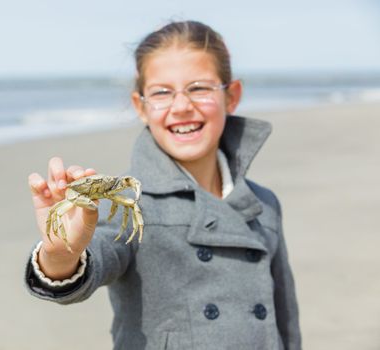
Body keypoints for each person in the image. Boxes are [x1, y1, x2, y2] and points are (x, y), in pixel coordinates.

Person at [25, 20, 301, 349]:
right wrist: (61, 253)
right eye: (162, 92)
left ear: (232, 96)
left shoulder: (263, 204)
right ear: (141, 106)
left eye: (199, 88)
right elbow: (95, 258)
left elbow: (284, 321)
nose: (182, 106)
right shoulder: (129, 201)